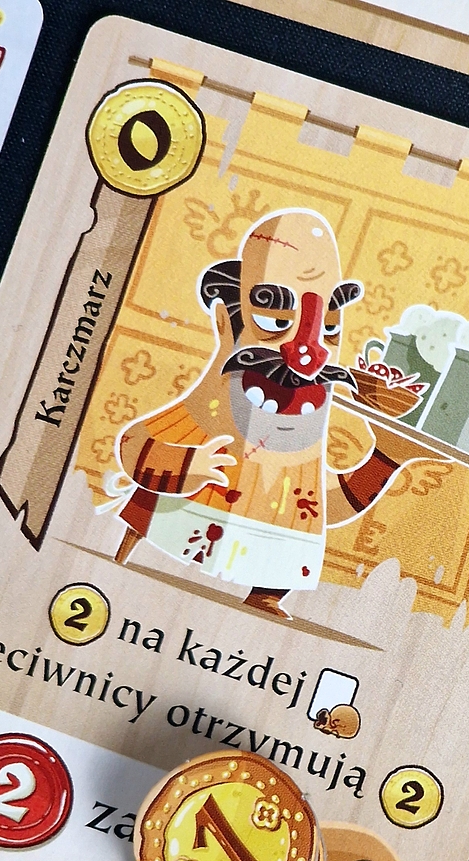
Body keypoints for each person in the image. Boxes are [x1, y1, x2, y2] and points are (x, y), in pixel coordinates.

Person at [111, 207, 422, 617]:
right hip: (156, 552)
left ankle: (267, 592)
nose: (307, 355)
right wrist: (187, 465)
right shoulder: (204, 416)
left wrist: (387, 457)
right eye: (274, 319)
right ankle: (125, 555)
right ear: (226, 323)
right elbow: (134, 446)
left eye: (328, 327)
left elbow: (328, 505)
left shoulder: (304, 456)